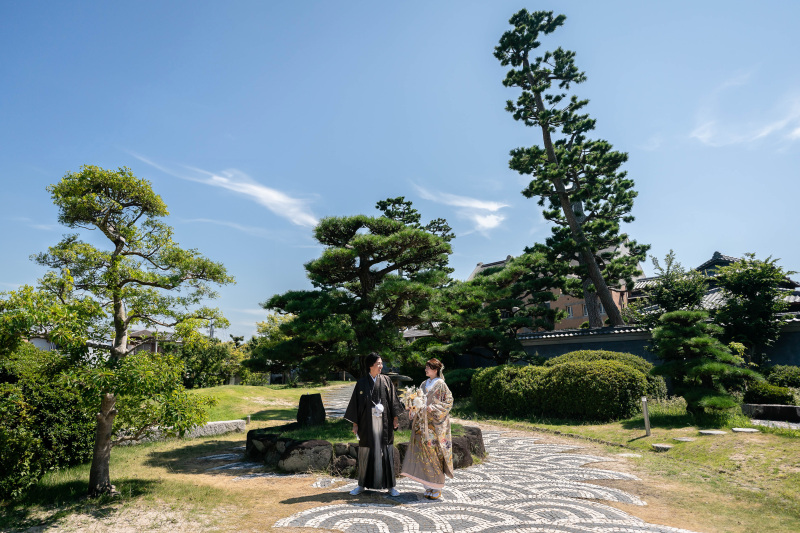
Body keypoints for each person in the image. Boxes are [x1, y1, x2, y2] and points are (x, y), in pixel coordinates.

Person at [343, 352, 404, 496]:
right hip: (367, 424)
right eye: (378, 364)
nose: (381, 366)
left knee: (387, 451)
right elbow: (356, 405)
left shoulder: (386, 380)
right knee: (365, 452)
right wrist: (355, 424)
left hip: (385, 422)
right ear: (371, 366)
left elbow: (393, 401)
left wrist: (395, 418)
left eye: (381, 363)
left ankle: (391, 486)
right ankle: (362, 485)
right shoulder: (361, 383)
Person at [400, 358, 453, 500]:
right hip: (422, 424)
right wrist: (413, 408)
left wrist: (434, 407)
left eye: (428, 367)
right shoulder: (424, 384)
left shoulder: (441, 384)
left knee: (434, 453)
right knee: (423, 453)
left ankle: (437, 486)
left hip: (434, 425)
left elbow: (449, 402)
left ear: (435, 370)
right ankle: (428, 485)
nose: (425, 369)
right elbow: (418, 401)